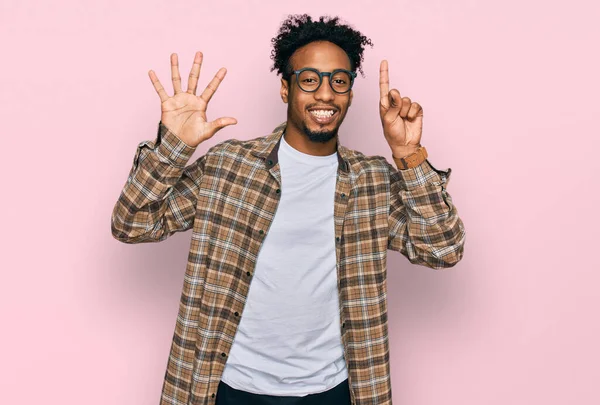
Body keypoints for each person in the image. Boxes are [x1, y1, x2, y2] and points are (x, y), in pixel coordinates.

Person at [111, 14, 466, 405]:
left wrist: (408, 155)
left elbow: (443, 248)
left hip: (333, 391)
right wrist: (173, 147)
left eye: (339, 81)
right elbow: (132, 223)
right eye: (309, 79)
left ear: (349, 92)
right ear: (286, 87)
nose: (325, 94)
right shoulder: (229, 166)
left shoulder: (373, 181)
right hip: (229, 387)